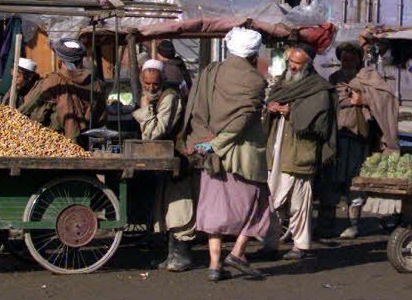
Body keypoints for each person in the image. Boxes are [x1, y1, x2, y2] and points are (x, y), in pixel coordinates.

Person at [187, 27, 272, 282]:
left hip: (212, 153)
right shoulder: (256, 81)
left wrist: (209, 143)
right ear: (254, 53)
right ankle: (237, 252)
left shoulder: (210, 72)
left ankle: (214, 265)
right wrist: (220, 143)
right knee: (259, 205)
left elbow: (197, 109)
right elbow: (243, 119)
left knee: (215, 210)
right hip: (243, 156)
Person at [263, 44, 336, 260]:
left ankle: (301, 245)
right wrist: (271, 108)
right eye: (291, 62)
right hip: (277, 149)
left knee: (299, 202)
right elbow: (270, 101)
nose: (293, 67)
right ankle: (270, 243)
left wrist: (291, 112)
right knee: (273, 198)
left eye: (297, 64)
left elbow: (321, 123)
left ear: (308, 65)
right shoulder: (283, 83)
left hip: (300, 152)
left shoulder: (318, 88)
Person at [133, 60, 196, 272]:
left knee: (179, 209)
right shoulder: (157, 97)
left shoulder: (170, 99)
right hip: (166, 161)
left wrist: (143, 109)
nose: (151, 88)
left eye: (155, 84)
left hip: (179, 159)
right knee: (166, 209)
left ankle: (182, 256)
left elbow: (153, 132)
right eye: (147, 84)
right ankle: (171, 255)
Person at [322, 43, 376, 239]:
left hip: (357, 138)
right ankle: (327, 224)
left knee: (355, 180)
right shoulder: (334, 79)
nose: (347, 63)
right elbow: (329, 101)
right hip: (336, 136)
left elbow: (380, 98)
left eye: (351, 60)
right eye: (344, 59)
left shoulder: (366, 79)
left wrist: (362, 101)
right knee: (331, 180)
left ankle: (353, 225)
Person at [20, 39, 98, 140]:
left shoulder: (53, 80)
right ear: (81, 60)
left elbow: (28, 108)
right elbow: (101, 116)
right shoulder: (95, 82)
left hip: (55, 142)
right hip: (87, 140)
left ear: (60, 60)